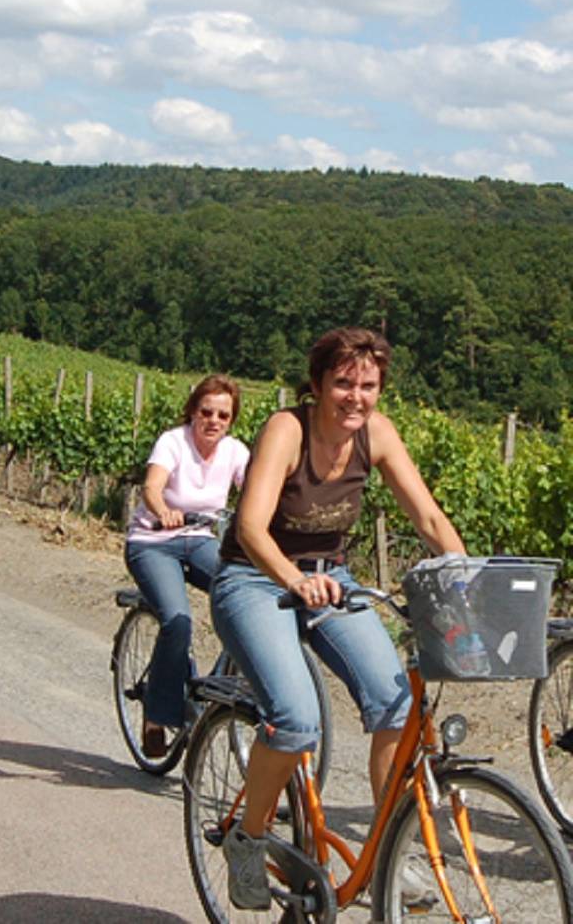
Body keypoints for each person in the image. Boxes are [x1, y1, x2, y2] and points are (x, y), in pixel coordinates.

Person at [212, 327, 465, 911]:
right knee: (296, 718)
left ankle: (386, 852)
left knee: (397, 705)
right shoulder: (287, 430)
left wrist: (467, 581)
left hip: (332, 579)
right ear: (319, 384)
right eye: (344, 383)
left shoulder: (375, 434)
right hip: (254, 576)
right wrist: (294, 579)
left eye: (369, 385)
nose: (357, 396)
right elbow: (250, 527)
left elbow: (428, 517)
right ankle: (247, 841)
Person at [124, 375, 248, 757]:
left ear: (231, 420)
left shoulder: (235, 451)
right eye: (206, 412)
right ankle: (157, 715)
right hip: (154, 543)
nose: (214, 420)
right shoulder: (173, 442)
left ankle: (218, 685)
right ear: (193, 411)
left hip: (201, 541)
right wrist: (163, 511)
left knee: (246, 595)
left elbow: (258, 490)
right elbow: (151, 487)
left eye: (223, 415)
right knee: (178, 619)